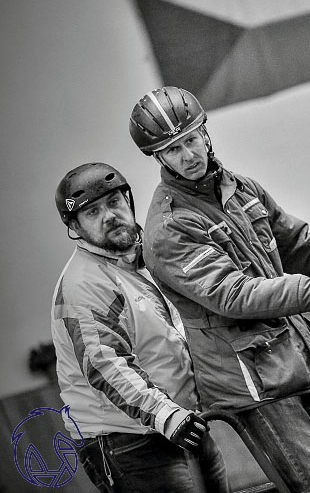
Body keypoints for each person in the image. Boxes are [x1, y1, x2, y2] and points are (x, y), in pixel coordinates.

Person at [129, 86, 310, 493]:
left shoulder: (239, 187)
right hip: (252, 385)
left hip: (297, 358)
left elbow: (299, 246)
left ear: (205, 133)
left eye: (191, 139)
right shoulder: (168, 228)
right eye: (173, 150)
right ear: (158, 158)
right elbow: (234, 294)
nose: (188, 155)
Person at [52, 162, 229, 493]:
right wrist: (165, 414)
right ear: (75, 226)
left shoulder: (148, 253)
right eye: (92, 213)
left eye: (114, 203)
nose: (109, 216)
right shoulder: (84, 284)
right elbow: (105, 364)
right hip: (127, 441)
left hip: (180, 420)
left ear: (128, 202)